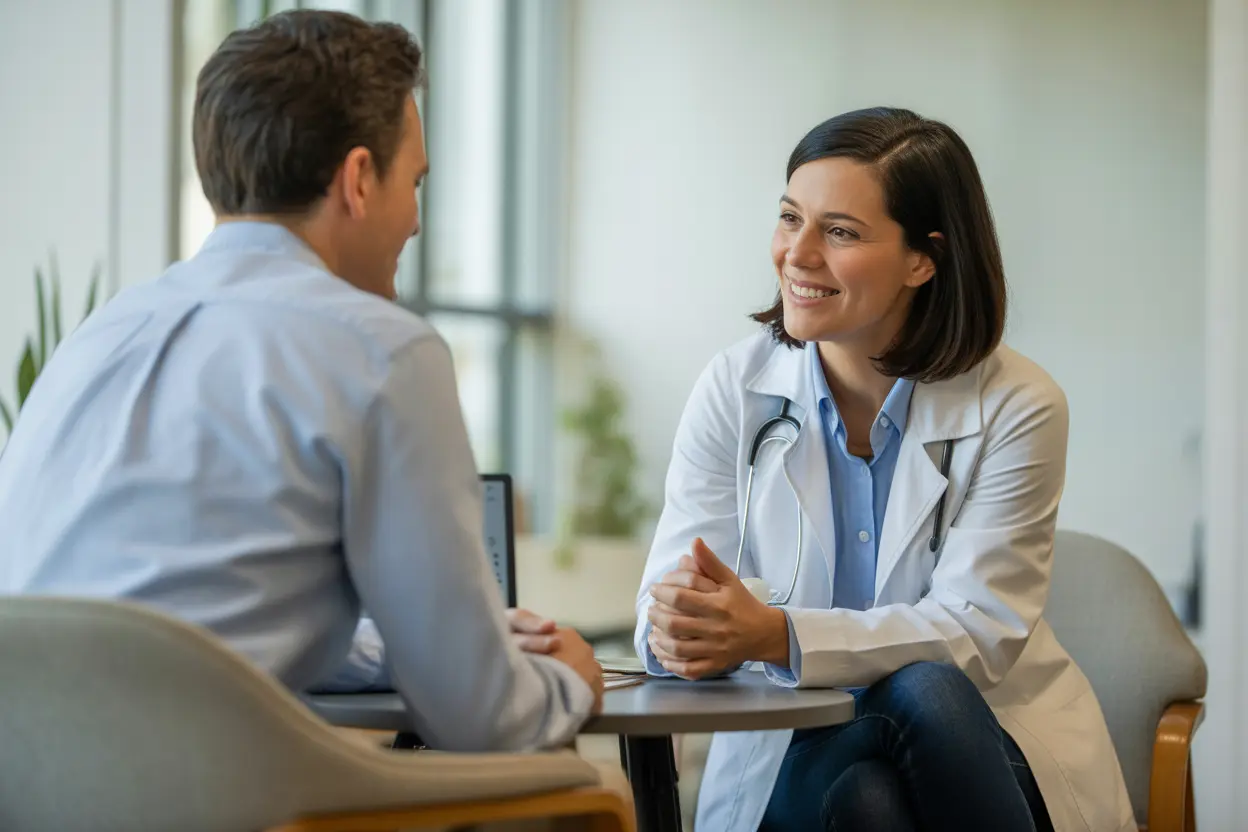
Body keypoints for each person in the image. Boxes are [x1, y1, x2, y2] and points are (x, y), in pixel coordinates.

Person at [0, 9, 603, 754]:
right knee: (585, 788)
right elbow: (480, 717)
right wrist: (568, 677)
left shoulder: (99, 337)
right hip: (217, 801)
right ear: (357, 179)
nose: (415, 222)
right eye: (414, 182)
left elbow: (194, 622)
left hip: (34, 792)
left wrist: (403, 641)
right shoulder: (382, 351)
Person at [634, 107, 1134, 831]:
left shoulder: (1019, 404)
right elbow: (665, 603)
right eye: (789, 218)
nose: (797, 254)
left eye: (840, 232)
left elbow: (977, 633)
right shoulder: (734, 390)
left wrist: (773, 634)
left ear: (922, 259)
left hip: (984, 745)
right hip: (796, 754)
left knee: (925, 697)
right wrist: (680, 625)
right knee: (869, 798)